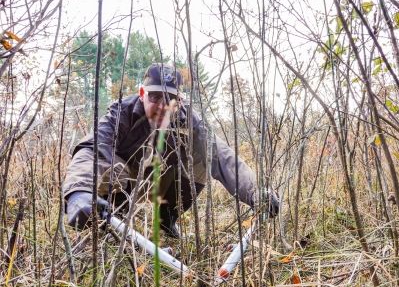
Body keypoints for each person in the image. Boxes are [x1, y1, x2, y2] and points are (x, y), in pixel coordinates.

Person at [63, 63, 278, 238]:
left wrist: (255, 192)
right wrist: (80, 194)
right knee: (111, 165)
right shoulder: (121, 113)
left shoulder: (188, 120)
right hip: (124, 185)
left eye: (169, 99)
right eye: (154, 97)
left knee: (202, 159)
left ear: (180, 101)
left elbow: (222, 156)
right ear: (141, 93)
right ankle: (112, 224)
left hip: (158, 181)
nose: (161, 106)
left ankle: (165, 222)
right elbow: (91, 149)